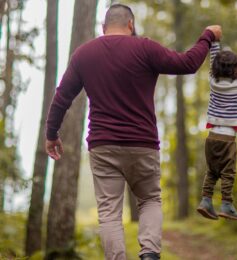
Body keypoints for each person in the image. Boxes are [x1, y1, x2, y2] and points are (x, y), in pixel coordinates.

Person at [45, 4, 222, 260]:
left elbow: (62, 97)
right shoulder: (145, 47)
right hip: (143, 144)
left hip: (103, 145)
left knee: (109, 212)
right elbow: (188, 63)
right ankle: (150, 254)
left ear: (103, 28)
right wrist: (207, 35)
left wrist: (52, 134)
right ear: (131, 24)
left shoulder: (84, 54)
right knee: (149, 199)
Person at [196, 41, 237, 221]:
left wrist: (214, 42)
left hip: (211, 138)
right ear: (236, 71)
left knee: (212, 171)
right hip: (228, 140)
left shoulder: (212, 82)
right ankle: (226, 204)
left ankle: (206, 200)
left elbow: (213, 59)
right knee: (228, 173)